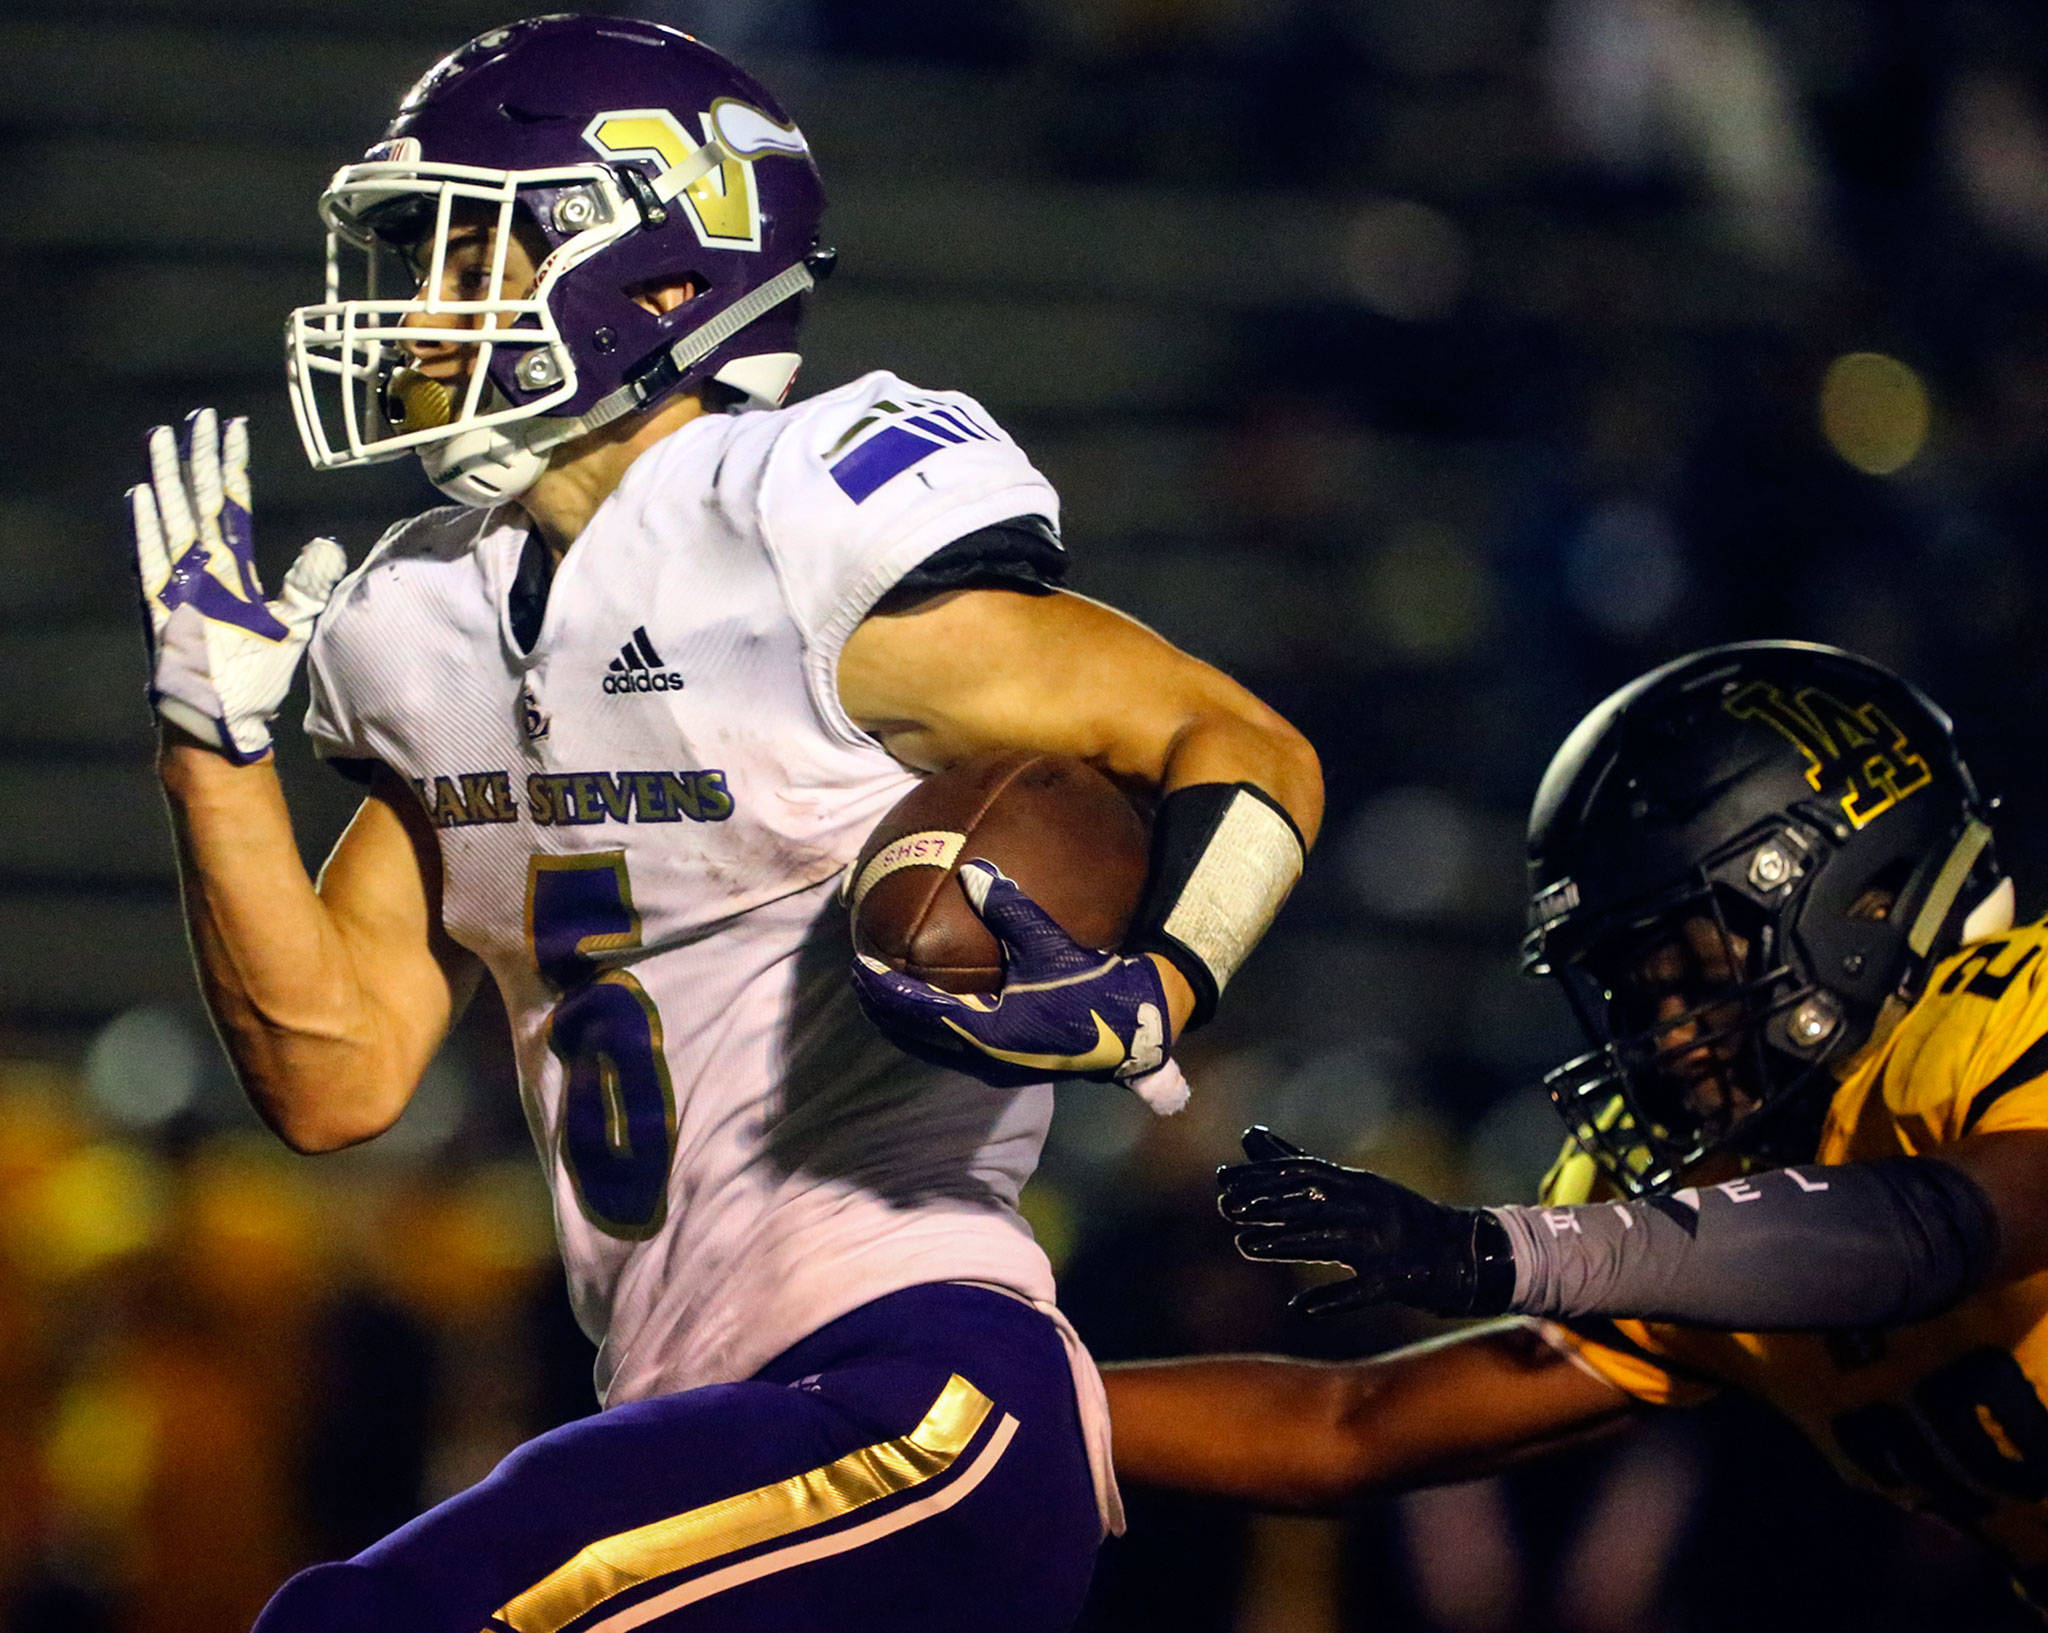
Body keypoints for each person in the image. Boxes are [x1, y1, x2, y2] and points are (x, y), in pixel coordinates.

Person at [127, 16, 1321, 1631]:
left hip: (907, 1385)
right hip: (683, 1420)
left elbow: (1237, 740)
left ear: (664, 281)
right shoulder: (419, 615)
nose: (417, 304)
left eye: (469, 248)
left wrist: (1159, 983)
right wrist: (213, 750)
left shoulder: (791, 524)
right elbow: (333, 1068)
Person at [1101, 640, 2048, 1609]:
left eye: (1687, 970)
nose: (1664, 1034)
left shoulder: (2009, 1014)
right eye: (1630, 992)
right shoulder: (1716, 1182)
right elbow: (1353, 1424)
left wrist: (1505, 1248)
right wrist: (1037, 1398)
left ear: (1863, 898)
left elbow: (1931, 1230)